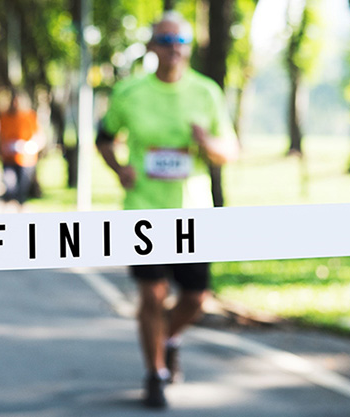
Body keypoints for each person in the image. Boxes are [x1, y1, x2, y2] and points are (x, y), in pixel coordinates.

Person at [96, 11, 239, 409]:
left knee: (196, 299)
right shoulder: (130, 93)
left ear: (188, 48)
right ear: (151, 47)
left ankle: (169, 337)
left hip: (192, 212)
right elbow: (104, 138)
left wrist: (206, 141)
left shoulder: (206, 92)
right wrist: (119, 167)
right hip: (143, 208)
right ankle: (155, 374)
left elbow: (229, 151)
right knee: (152, 295)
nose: (172, 50)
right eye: (164, 41)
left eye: (179, 43)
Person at [0, 91, 41, 212]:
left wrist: (30, 146)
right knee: (9, 186)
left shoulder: (30, 116)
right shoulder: (3, 117)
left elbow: (39, 137)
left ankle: (20, 212)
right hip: (9, 158)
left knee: (22, 191)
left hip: (26, 159)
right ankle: (8, 211)